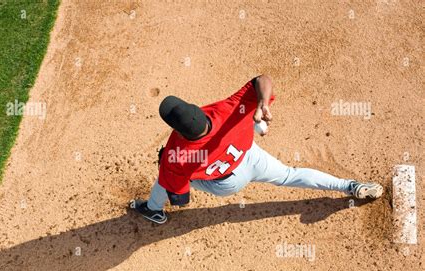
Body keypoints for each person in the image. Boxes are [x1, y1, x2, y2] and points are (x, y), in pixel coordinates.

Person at [131, 75, 383, 224]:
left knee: (166, 174)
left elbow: (181, 200)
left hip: (226, 184)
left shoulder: (178, 154)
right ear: (199, 110)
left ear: (179, 131)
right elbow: (263, 79)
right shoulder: (225, 109)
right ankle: (349, 186)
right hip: (250, 155)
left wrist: (170, 167)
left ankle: (153, 211)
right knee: (289, 175)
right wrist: (261, 103)